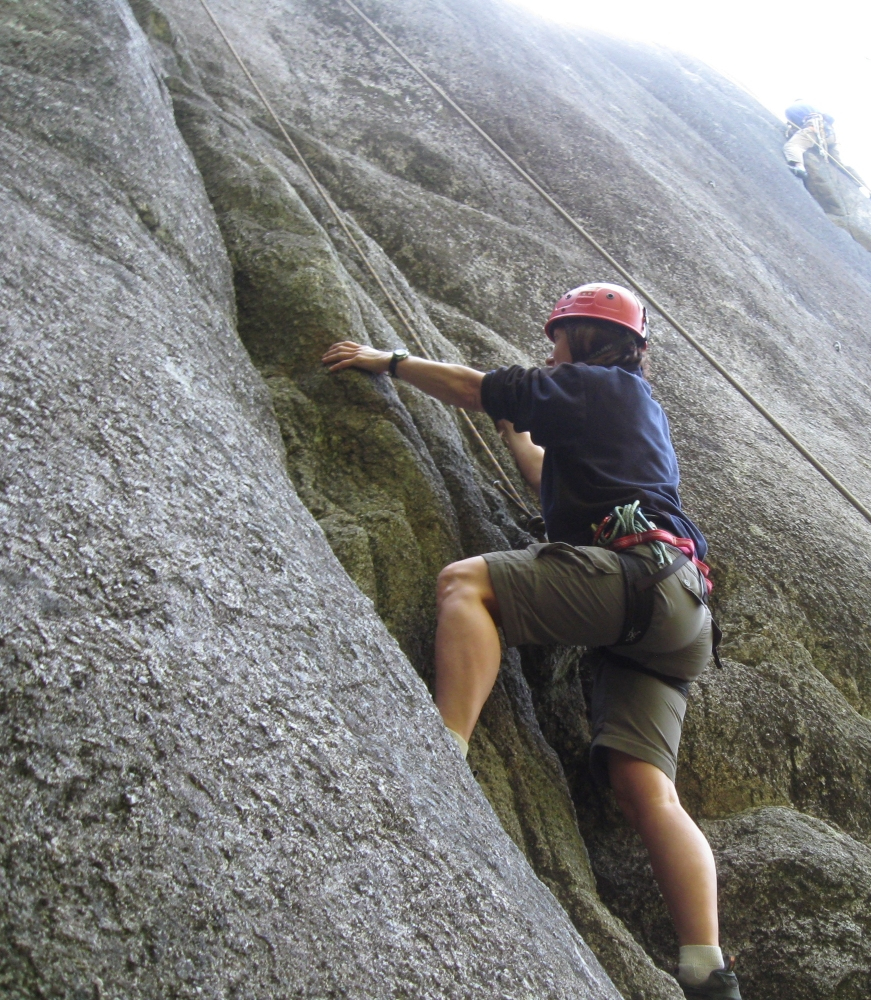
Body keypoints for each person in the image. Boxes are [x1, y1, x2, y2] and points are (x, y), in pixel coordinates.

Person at [322, 282, 742, 1000]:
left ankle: (441, 753)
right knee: (646, 790)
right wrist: (517, 433)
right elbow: (546, 475)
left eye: (558, 337)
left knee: (466, 586)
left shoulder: (597, 385)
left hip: (639, 577)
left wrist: (386, 360)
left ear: (586, 338)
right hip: (678, 616)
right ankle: (708, 971)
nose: (550, 350)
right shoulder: (629, 415)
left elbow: (476, 387)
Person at [783, 99, 838, 179]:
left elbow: (796, 127)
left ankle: (799, 167)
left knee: (793, 146)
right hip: (830, 135)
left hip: (813, 129)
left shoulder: (790, 109)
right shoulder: (813, 107)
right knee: (839, 163)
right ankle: (857, 181)